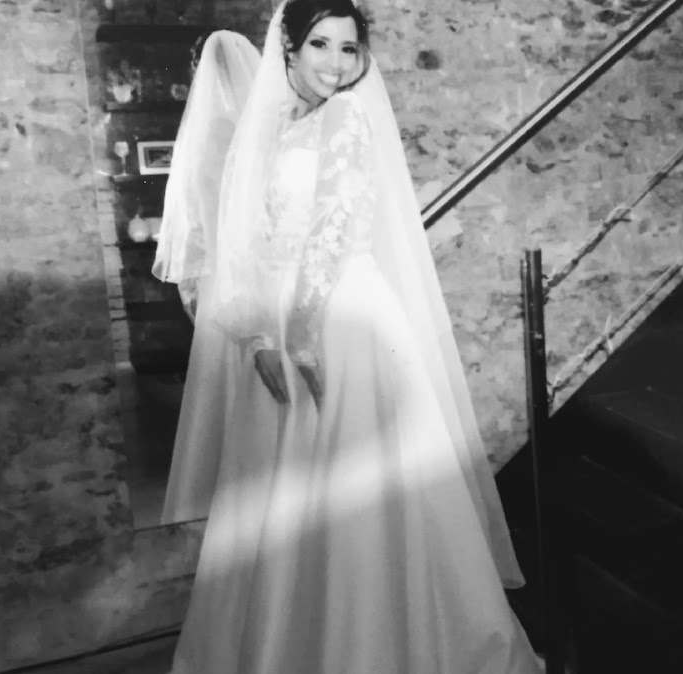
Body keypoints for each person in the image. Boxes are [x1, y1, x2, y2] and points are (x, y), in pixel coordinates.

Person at [168, 0, 542, 671]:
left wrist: (301, 334)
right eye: (320, 44)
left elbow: (333, 228)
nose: (337, 64)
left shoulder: (348, 115)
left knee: (355, 497)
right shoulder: (278, 125)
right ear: (288, 48)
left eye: (348, 48)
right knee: (290, 496)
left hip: (338, 319)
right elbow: (250, 238)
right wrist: (259, 335)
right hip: (284, 321)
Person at [153, 30, 261, 525]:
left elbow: (191, 222)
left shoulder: (202, 135)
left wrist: (193, 287)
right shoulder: (261, 130)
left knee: (228, 385)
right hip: (263, 273)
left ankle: (231, 495)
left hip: (223, 278)